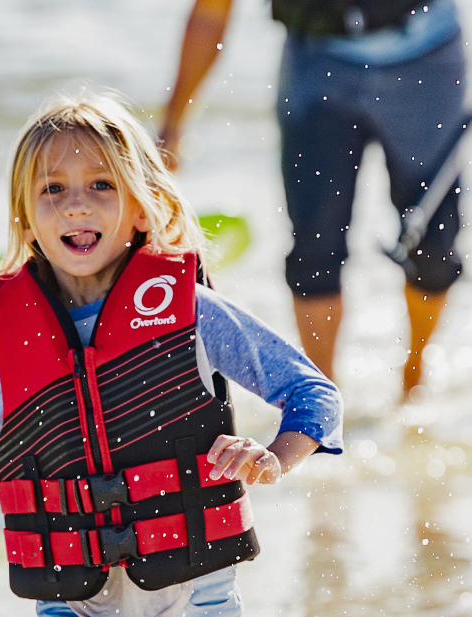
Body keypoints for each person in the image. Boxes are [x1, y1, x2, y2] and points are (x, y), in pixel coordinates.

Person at [0, 91, 343, 617]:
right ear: (25, 217)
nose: (76, 203)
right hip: (78, 614)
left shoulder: (190, 312)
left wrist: (274, 456)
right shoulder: (8, 343)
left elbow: (311, 392)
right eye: (52, 189)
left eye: (100, 185)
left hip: (195, 610)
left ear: (141, 208)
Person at [160, 0, 466, 396]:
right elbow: (211, 12)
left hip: (427, 59)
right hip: (317, 66)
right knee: (314, 252)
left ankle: (414, 378)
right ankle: (322, 407)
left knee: (435, 253)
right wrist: (173, 125)